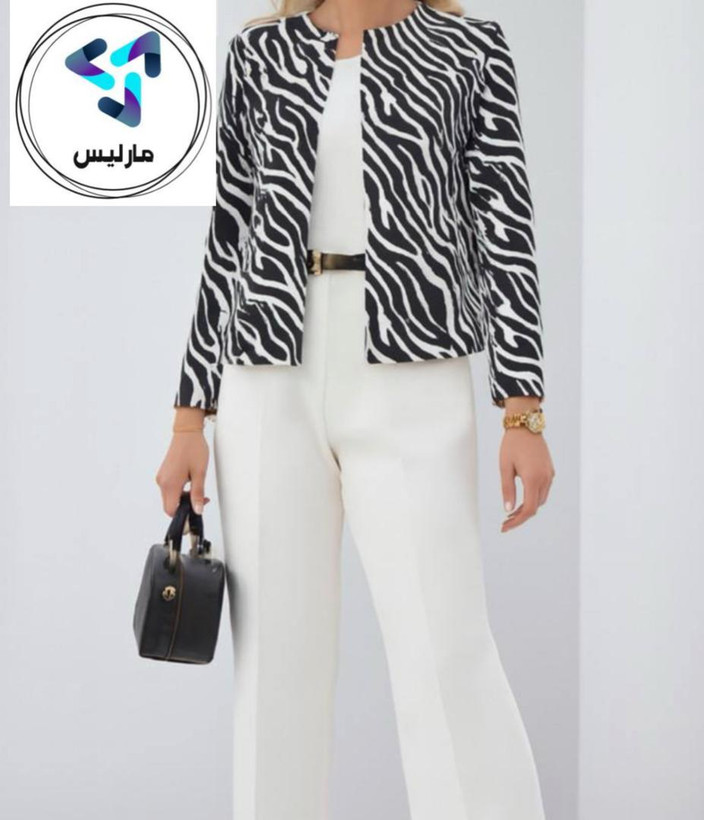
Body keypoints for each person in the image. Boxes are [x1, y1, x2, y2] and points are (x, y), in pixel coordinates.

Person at [156, 1, 555, 818]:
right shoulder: (261, 52)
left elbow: (504, 227)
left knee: (446, 651)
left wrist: (523, 409)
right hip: (268, 377)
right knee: (275, 672)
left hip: (412, 371)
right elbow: (228, 233)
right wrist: (189, 415)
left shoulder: (468, 46)